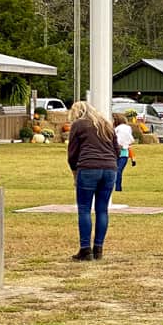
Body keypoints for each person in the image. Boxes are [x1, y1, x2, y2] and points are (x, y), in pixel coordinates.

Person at [67, 101, 118, 261]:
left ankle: (85, 249)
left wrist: (75, 171)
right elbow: (116, 149)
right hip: (110, 168)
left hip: (88, 167)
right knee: (102, 210)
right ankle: (98, 248)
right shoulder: (106, 124)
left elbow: (72, 153)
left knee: (84, 209)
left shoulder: (78, 125)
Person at [113, 112, 135, 192]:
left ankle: (118, 189)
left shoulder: (122, 129)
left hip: (123, 154)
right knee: (114, 172)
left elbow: (128, 144)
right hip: (114, 154)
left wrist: (133, 159)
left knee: (118, 171)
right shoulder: (116, 129)